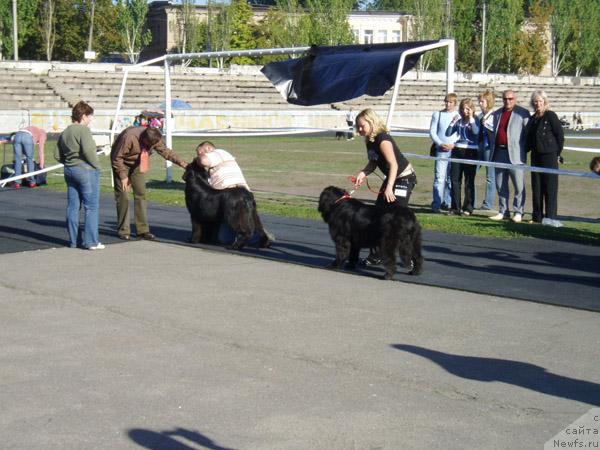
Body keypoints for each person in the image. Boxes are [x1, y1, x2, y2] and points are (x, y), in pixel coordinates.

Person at [353, 108, 417, 265]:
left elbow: (393, 165)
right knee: (377, 217)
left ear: (372, 122)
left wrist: (389, 188)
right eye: (358, 126)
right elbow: (373, 162)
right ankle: (377, 254)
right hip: (391, 178)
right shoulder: (370, 141)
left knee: (397, 219)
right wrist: (363, 173)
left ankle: (410, 257)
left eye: (362, 126)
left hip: (403, 179)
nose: (359, 129)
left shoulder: (383, 139)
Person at [110, 126, 188, 241]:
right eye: (150, 144)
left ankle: (143, 231)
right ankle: (123, 230)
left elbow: (165, 151)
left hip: (138, 163)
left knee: (141, 194)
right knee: (123, 196)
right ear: (144, 139)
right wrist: (123, 176)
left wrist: (182, 163)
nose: (153, 146)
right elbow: (117, 158)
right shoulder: (129, 137)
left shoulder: (155, 137)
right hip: (122, 163)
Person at [194, 141, 272, 246]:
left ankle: (257, 236)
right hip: (236, 195)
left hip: (234, 196)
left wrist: (196, 161)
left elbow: (203, 161)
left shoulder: (218, 153)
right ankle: (255, 232)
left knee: (235, 227)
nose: (198, 155)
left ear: (208, 149)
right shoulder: (215, 166)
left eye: (200, 152)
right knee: (224, 238)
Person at [57, 101, 104, 250]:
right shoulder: (83, 130)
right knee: (91, 207)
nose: (91, 119)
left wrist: (69, 162)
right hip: (85, 171)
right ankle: (91, 242)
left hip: (69, 170)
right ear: (83, 116)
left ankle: (73, 241)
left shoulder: (65, 132)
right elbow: (89, 151)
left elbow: (57, 154)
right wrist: (97, 166)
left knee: (73, 206)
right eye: (90, 116)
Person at [489, 89, 530, 223]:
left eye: (511, 98)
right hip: (499, 153)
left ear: (515, 99)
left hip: (516, 155)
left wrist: (523, 149)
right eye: (505, 99)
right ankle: (503, 211)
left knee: (518, 185)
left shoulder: (523, 113)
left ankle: (518, 212)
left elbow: (527, 134)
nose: (508, 101)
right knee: (501, 185)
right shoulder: (497, 114)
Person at [526, 90, 564, 227]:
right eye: (535, 101)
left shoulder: (551, 116)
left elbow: (560, 136)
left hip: (549, 156)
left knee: (550, 188)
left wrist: (557, 154)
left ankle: (550, 217)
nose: (537, 104)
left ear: (545, 102)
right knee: (536, 187)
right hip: (535, 156)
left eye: (540, 101)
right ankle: (537, 216)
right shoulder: (532, 118)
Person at [445, 98, 480, 216]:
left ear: (472, 109)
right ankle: (455, 207)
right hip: (457, 150)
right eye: (463, 109)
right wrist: (452, 122)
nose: (464, 111)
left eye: (467, 109)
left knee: (469, 181)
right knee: (455, 179)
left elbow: (476, 132)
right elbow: (448, 133)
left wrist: (471, 119)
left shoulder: (475, 120)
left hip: (470, 152)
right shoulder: (459, 121)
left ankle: (468, 207)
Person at [429, 93, 459, 213]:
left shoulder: (458, 115)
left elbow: (460, 133)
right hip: (441, 150)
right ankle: (437, 204)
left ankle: (448, 202)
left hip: (454, 150)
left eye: (451, 102)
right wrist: (440, 143)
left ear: (455, 103)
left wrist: (454, 145)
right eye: (446, 101)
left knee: (451, 179)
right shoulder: (438, 114)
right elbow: (432, 132)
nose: (448, 104)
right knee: (439, 178)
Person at [477, 89, 497, 210]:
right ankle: (472, 201)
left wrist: (487, 125)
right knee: (472, 173)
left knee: (490, 177)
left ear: (488, 102)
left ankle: (488, 203)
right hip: (479, 148)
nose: (480, 103)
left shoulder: (494, 116)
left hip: (489, 148)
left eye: (482, 101)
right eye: (479, 101)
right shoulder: (479, 116)